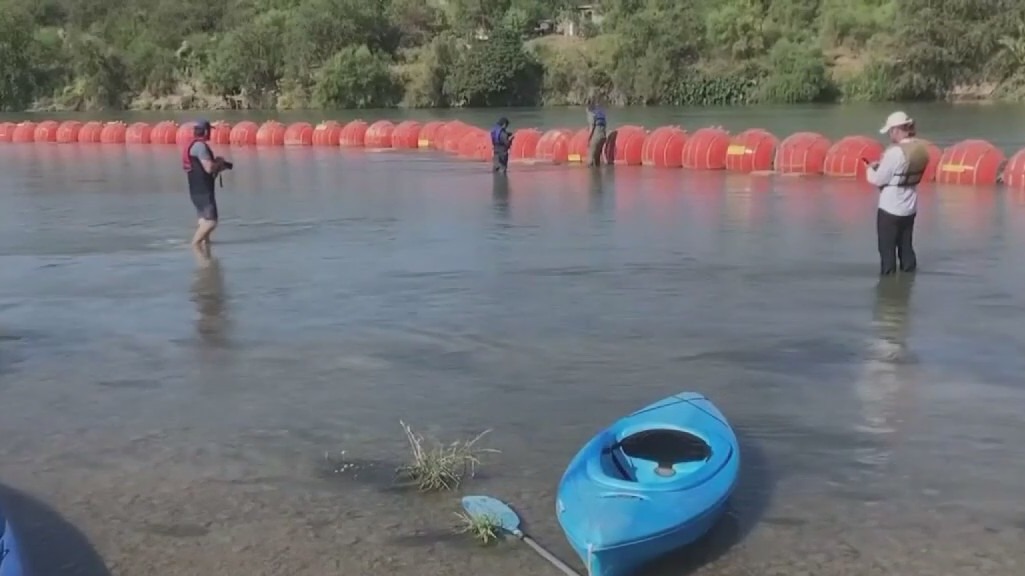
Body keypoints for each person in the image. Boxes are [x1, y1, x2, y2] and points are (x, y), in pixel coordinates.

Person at [865, 111, 927, 275]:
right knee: (906, 248)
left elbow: (878, 180)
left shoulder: (894, 152)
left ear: (895, 130)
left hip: (890, 209)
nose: (889, 135)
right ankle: (909, 280)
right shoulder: (920, 148)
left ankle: (888, 292)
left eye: (890, 131)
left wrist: (870, 169)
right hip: (910, 208)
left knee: (887, 251)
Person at [182, 120, 232, 247]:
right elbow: (209, 168)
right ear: (205, 131)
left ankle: (205, 259)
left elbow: (201, 167)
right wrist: (219, 163)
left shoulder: (192, 145)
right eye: (209, 130)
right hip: (204, 191)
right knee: (211, 222)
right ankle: (193, 246)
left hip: (195, 190)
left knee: (203, 222)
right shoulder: (201, 147)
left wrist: (219, 166)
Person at [586, 100, 607, 167]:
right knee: (597, 159)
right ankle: (598, 176)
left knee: (590, 160)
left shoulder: (591, 113)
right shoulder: (600, 113)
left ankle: (592, 176)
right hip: (603, 136)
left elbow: (592, 127)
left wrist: (588, 139)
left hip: (596, 136)